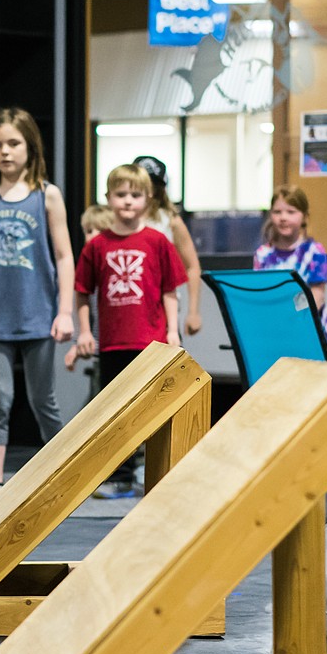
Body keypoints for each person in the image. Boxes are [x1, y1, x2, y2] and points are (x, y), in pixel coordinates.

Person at [0, 107, 75, 511]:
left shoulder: (48, 194)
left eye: (14, 144)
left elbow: (63, 256)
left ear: (30, 147)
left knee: (44, 399)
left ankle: (65, 470)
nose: (6, 152)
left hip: (39, 316)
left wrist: (65, 311)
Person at [75, 163, 187, 499]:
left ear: (148, 199)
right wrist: (84, 332)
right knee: (116, 411)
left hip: (149, 341)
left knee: (151, 407)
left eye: (135, 195)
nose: (127, 201)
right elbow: (82, 291)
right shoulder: (97, 246)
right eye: (120, 194)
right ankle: (120, 476)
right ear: (108, 198)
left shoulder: (157, 242)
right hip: (112, 343)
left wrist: (173, 332)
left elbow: (170, 289)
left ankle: (154, 472)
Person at [132, 155, 203, 335]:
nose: (146, 189)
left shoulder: (170, 220)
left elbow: (192, 266)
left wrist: (193, 312)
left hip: (162, 310)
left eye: (151, 184)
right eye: (141, 183)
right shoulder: (118, 221)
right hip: (128, 310)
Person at [253, 184, 327, 339]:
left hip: (307, 330)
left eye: (291, 212)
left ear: (304, 217)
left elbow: (318, 295)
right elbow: (260, 293)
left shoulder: (314, 252)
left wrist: (290, 317)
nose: (283, 217)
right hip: (272, 329)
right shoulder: (262, 254)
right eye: (277, 212)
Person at [64, 204, 115, 373]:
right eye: (88, 231)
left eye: (98, 230)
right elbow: (87, 313)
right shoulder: (88, 271)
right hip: (100, 351)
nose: (90, 237)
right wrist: (78, 344)